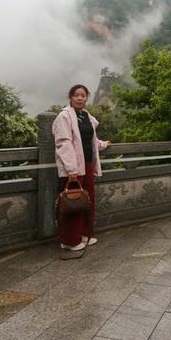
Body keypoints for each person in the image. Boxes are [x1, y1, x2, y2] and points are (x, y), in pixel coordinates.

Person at [52, 84, 110, 251]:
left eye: (83, 95)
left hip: (88, 164)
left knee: (86, 201)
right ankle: (69, 240)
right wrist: (71, 170)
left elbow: (91, 141)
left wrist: (103, 144)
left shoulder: (86, 116)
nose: (80, 98)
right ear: (70, 97)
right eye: (76, 95)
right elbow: (64, 143)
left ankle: (84, 234)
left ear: (86, 98)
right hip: (74, 167)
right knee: (73, 202)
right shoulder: (64, 117)